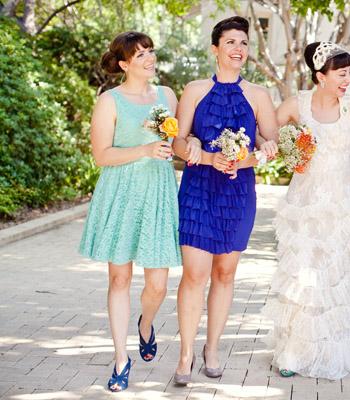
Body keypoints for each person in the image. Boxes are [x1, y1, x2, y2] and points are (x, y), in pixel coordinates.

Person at [171, 16, 278, 384]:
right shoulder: (195, 90)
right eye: (230, 42)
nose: (238, 49)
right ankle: (185, 354)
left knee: (225, 272)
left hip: (238, 191)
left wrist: (248, 157)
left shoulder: (259, 95)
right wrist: (199, 150)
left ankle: (212, 348)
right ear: (215, 49)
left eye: (244, 43)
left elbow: (271, 145)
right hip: (199, 189)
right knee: (195, 274)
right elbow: (178, 142)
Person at [79, 31, 180, 392]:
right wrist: (144, 149)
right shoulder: (110, 101)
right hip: (121, 192)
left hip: (157, 192)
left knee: (158, 284)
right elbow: (101, 155)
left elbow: (177, 140)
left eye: (151, 51)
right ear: (124, 64)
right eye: (140, 55)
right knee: (119, 279)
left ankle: (146, 325)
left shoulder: (167, 95)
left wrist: (193, 145)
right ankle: (121, 358)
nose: (149, 58)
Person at [262, 41, 350, 380]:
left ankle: (329, 348)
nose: (347, 79)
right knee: (303, 277)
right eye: (341, 73)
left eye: (349, 73)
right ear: (320, 76)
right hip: (304, 204)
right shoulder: (297, 104)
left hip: (340, 205)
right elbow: (268, 134)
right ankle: (292, 352)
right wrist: (287, 149)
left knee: (334, 274)